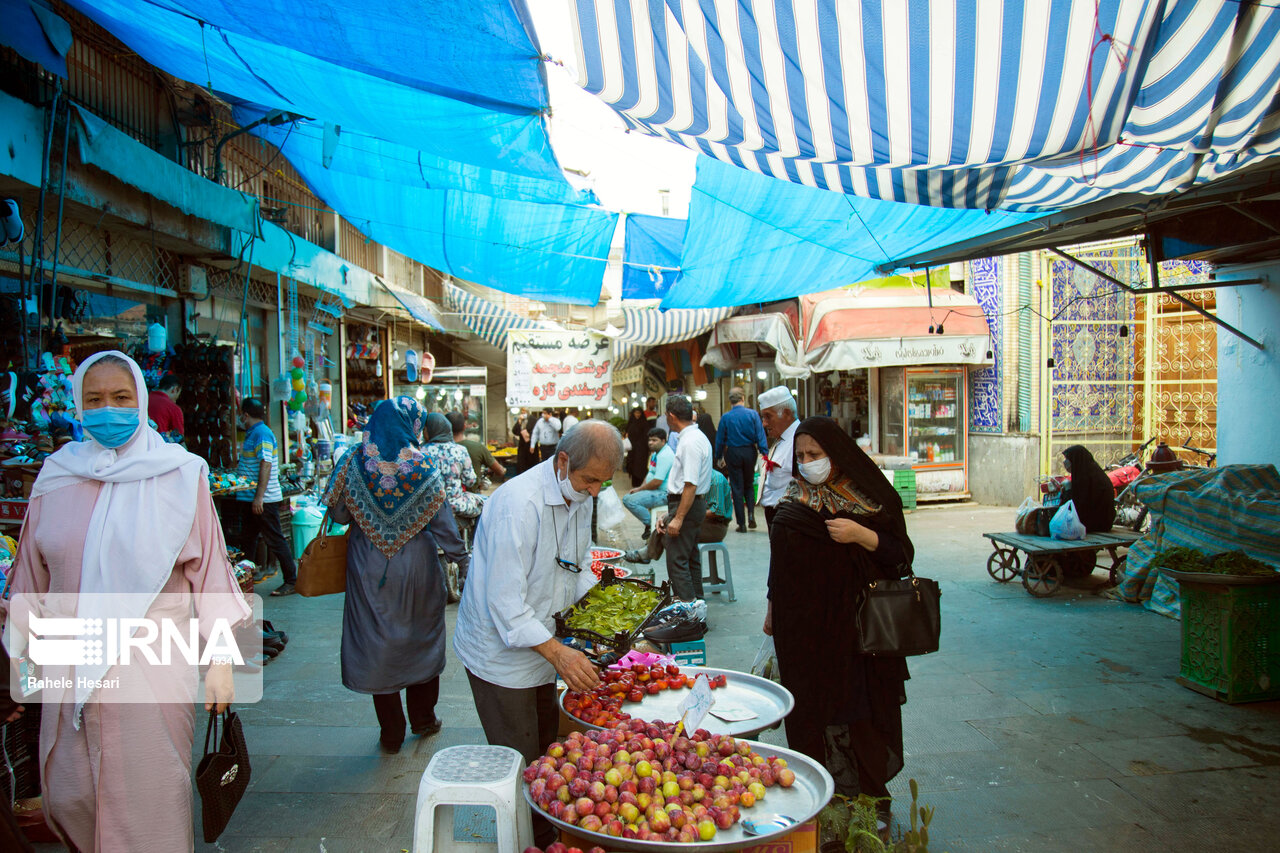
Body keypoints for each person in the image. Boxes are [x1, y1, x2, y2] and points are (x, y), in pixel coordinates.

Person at [6, 351, 249, 851]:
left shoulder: (182, 477)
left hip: (152, 668)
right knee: (71, 796)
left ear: (142, 401)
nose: (107, 409)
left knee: (150, 803)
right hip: (69, 668)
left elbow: (210, 579)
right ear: (77, 404)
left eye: (121, 397)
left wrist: (220, 661)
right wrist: (21, 668)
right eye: (94, 399)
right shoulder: (55, 478)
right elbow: (28, 583)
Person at [453, 421, 620, 847]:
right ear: (562, 461)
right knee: (520, 757)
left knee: (547, 748)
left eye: (604, 481)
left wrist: (607, 614)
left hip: (543, 641)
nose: (596, 491)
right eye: (590, 480)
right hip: (500, 654)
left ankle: (546, 829)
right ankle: (526, 836)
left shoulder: (579, 494)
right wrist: (560, 655)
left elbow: (576, 565)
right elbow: (506, 604)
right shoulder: (517, 504)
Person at [765, 416, 912, 826]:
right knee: (810, 713)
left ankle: (870, 799)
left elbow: (901, 557)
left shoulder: (869, 499)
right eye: (801, 456)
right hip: (803, 632)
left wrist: (862, 536)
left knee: (859, 711)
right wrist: (772, 606)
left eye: (815, 454)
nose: (807, 462)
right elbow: (779, 563)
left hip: (855, 632)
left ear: (838, 453)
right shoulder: (794, 499)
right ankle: (819, 798)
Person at [324, 398, 469, 753]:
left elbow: (339, 515)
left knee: (376, 645)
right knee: (421, 637)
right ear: (412, 424)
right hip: (417, 566)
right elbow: (444, 522)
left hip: (367, 566)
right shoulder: (422, 464)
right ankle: (423, 719)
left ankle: (391, 733)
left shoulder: (353, 460)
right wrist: (462, 561)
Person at [238, 396, 298, 595]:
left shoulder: (261, 434)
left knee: (275, 539)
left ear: (245, 415)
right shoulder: (254, 433)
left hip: (263, 499)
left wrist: (259, 497)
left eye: (241, 414)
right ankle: (245, 577)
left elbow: (266, 463)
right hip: (251, 498)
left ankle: (291, 580)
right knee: (248, 539)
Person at [655, 395, 712, 604]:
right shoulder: (694, 437)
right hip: (690, 504)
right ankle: (697, 610)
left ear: (671, 416)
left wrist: (677, 518)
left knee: (677, 561)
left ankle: (688, 616)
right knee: (690, 559)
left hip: (688, 504)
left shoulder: (690, 442)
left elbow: (690, 484)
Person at [624, 467, 731, 564]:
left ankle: (649, 554)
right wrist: (667, 515)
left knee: (672, 530)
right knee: (669, 525)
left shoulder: (716, 480)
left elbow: (716, 511)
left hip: (716, 527)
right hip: (700, 520)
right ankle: (652, 555)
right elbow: (685, 505)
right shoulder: (694, 479)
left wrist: (681, 516)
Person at [715, 386, 769, 532]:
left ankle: (742, 523)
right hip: (749, 451)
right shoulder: (752, 415)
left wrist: (718, 456)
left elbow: (720, 439)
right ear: (743, 398)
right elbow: (760, 434)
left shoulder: (726, 417)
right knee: (749, 484)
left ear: (730, 400)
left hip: (732, 452)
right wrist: (765, 453)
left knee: (737, 487)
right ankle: (751, 515)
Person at [423, 412, 485, 519]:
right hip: (457, 505)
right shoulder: (460, 450)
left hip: (429, 508)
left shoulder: (421, 452)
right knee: (484, 502)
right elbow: (470, 481)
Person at [758, 385, 800, 528]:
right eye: (763, 417)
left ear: (787, 413)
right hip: (777, 516)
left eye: (768, 416)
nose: (764, 423)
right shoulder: (782, 440)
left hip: (788, 517)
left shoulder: (799, 441)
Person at [621, 427, 674, 539]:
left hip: (664, 493)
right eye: (649, 440)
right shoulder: (656, 453)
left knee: (629, 501)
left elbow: (657, 482)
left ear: (663, 441)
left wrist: (640, 490)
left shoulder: (665, 455)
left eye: (654, 440)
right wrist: (640, 488)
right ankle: (651, 524)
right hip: (655, 491)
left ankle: (652, 525)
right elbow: (650, 474)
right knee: (629, 497)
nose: (650, 443)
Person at [1060, 445, 1115, 533]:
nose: (1065, 462)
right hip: (1103, 522)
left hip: (1094, 523)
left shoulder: (1086, 477)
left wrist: (1068, 490)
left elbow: (1076, 504)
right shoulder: (1092, 472)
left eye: (1067, 459)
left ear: (1076, 460)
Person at [449, 411, 504, 485]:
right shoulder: (477, 447)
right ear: (464, 426)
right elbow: (500, 471)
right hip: (472, 493)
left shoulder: (438, 450)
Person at [147, 373, 184, 441]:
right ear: (175, 389)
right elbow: (179, 438)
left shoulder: (144, 399)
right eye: (179, 393)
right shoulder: (173, 408)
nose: (177, 398)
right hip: (159, 447)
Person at [624, 407, 650, 486]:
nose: (637, 415)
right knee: (633, 465)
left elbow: (646, 435)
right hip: (632, 449)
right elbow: (627, 433)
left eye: (639, 413)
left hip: (642, 449)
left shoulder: (644, 423)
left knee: (641, 466)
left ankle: (641, 483)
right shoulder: (631, 423)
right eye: (636, 413)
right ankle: (635, 483)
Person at [512, 409, 537, 474]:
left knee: (531, 462)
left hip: (531, 444)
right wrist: (519, 421)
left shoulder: (533, 420)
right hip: (522, 444)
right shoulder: (520, 420)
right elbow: (515, 431)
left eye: (524, 411)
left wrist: (529, 435)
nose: (523, 413)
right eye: (522, 412)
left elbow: (536, 432)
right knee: (521, 463)